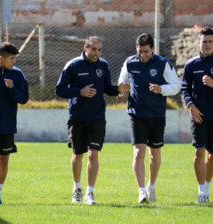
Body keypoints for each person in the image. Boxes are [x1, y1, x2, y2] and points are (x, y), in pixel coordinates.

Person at [56, 36, 130, 205]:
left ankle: (90, 192)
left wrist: (118, 90)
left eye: (99, 50)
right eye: (94, 49)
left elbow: (106, 88)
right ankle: (77, 188)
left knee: (93, 153)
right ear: (85, 48)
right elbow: (59, 90)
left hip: (97, 116)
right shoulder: (73, 65)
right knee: (77, 155)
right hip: (77, 117)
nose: (97, 53)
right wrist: (79, 91)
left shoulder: (103, 65)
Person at [118, 33, 181, 203]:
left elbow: (176, 86)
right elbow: (123, 82)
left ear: (153, 49)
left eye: (146, 51)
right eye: (140, 51)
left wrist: (161, 89)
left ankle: (151, 186)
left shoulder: (162, 63)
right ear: (136, 49)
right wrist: (122, 91)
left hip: (156, 115)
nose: (143, 55)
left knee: (155, 154)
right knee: (139, 152)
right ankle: (141, 192)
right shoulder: (129, 62)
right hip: (136, 114)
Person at [0, 42, 29, 205]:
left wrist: (12, 89)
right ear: (0, 58)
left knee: (3, 159)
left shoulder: (17, 75)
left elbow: (24, 99)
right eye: (11, 58)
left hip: (7, 123)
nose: (14, 62)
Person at [182, 27, 213, 203]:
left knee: (212, 156)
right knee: (199, 152)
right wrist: (190, 106)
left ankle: (207, 187)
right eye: (204, 41)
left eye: (210, 41)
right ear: (198, 43)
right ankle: (201, 193)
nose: (207, 44)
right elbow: (185, 88)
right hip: (198, 115)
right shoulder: (191, 65)